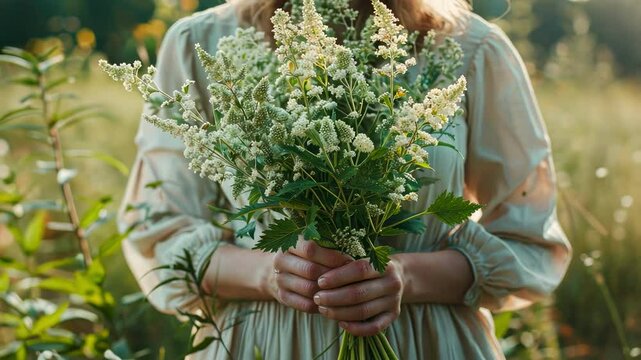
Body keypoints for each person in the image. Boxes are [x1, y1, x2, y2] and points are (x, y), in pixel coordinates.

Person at [117, 0, 572, 358]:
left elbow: (529, 240)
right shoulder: (199, 42)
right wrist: (266, 273)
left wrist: (405, 278)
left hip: (427, 342)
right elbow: (160, 235)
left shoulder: (471, 49)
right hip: (262, 344)